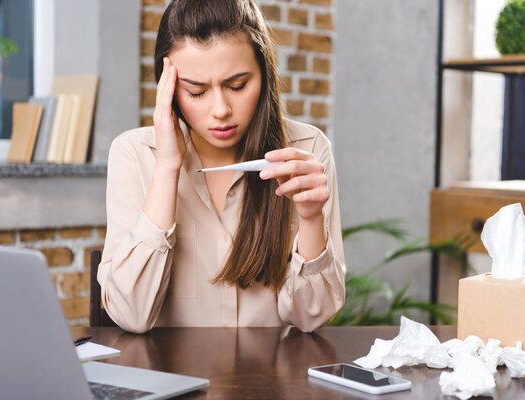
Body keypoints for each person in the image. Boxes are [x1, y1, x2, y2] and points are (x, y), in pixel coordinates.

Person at [98, 0, 346, 334]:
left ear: (265, 74)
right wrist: (167, 169)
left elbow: (312, 318)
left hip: (271, 382)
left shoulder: (306, 151)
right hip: (174, 380)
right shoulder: (134, 153)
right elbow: (131, 316)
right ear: (168, 89)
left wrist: (312, 217)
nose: (220, 110)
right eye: (196, 91)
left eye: (237, 85)